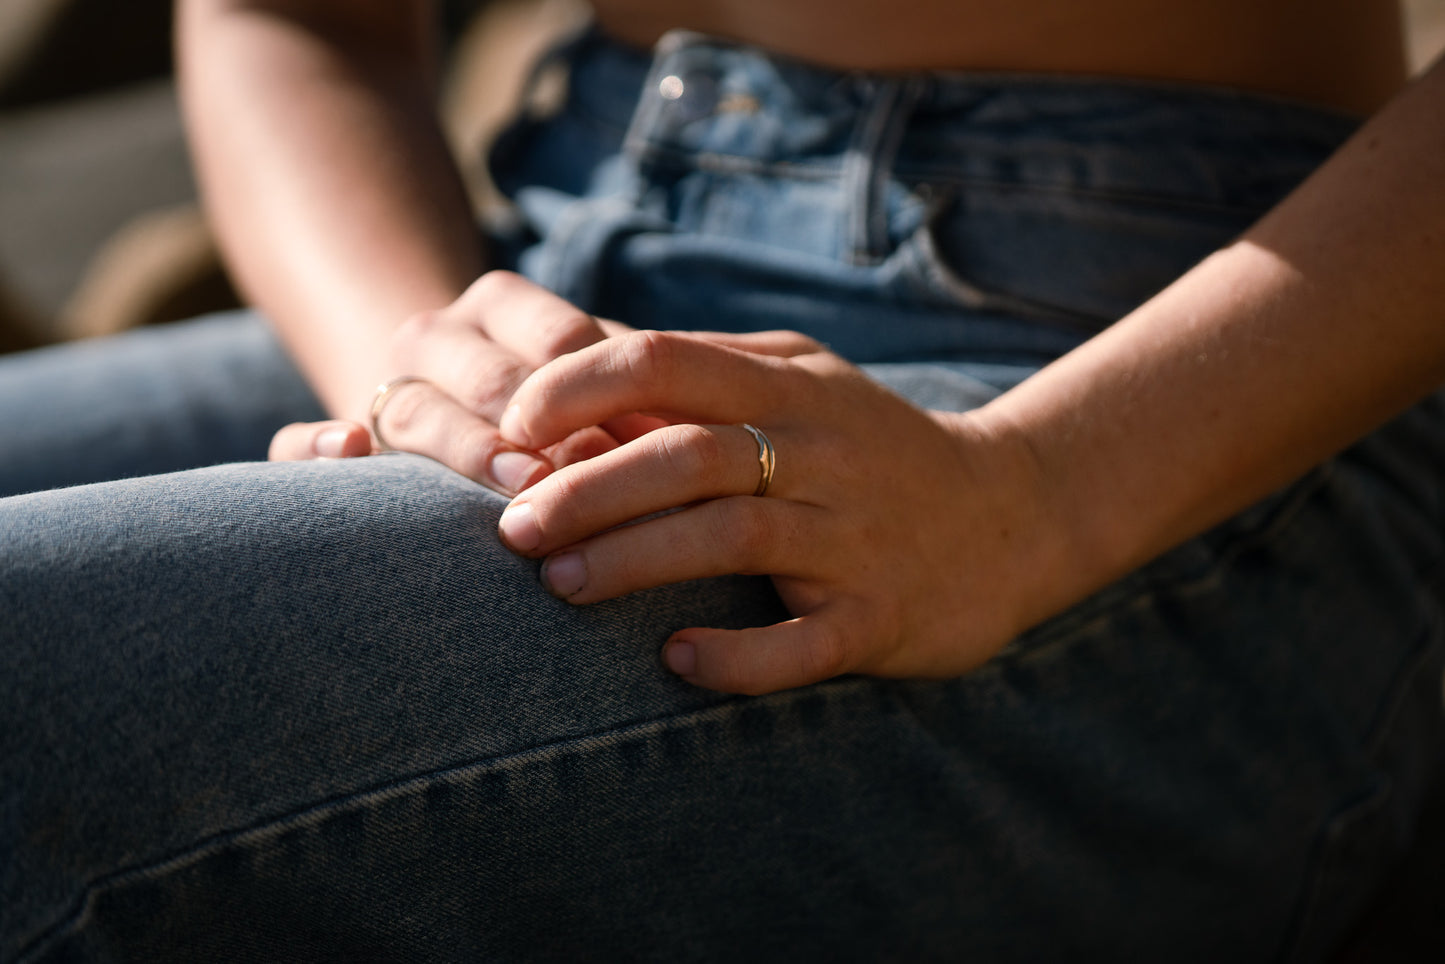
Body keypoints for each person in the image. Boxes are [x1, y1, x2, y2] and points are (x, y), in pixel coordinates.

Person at [3, 0, 1443, 959]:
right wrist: (425, 365)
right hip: (535, 258)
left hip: (1152, 371)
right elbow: (294, 16)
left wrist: (1038, 493)